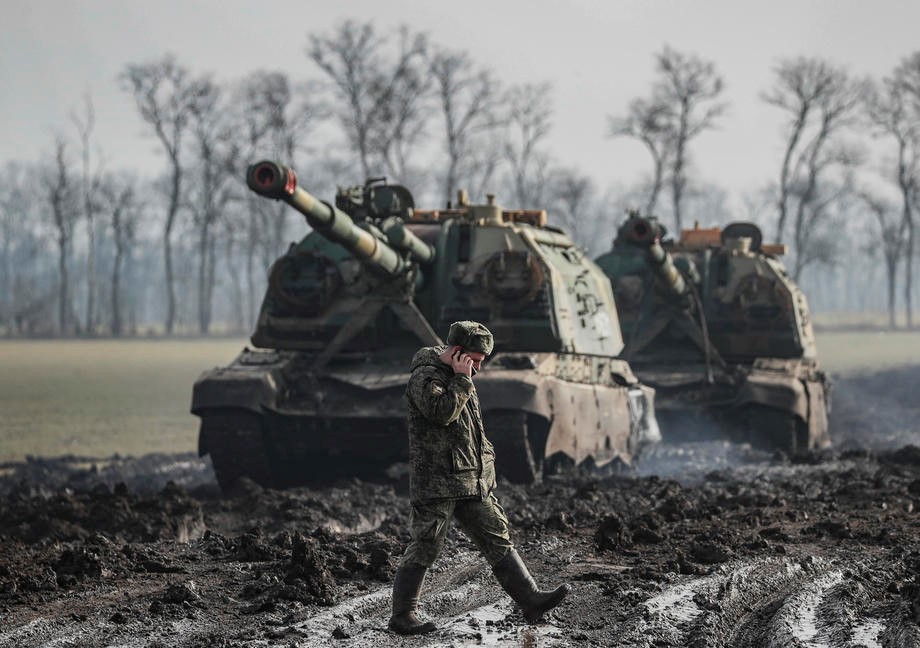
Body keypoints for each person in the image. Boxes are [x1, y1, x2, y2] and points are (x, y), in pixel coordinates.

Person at [389, 320, 570, 635]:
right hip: (439, 482)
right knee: (426, 544)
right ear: (457, 353)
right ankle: (403, 615)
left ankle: (529, 599)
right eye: (475, 360)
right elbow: (441, 413)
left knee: (496, 536)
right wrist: (460, 379)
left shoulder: (462, 377)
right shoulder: (426, 377)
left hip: (470, 480)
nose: (478, 368)